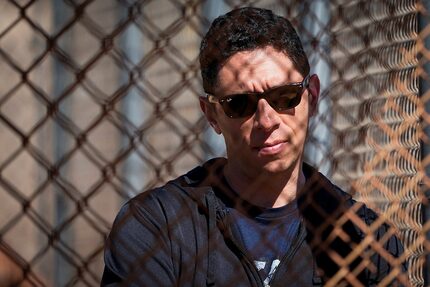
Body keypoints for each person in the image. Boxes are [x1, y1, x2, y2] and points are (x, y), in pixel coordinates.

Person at [101, 7, 409, 286]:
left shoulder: (367, 240)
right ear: (212, 115)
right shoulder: (157, 227)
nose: (266, 120)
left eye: (284, 97)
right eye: (239, 104)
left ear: (312, 97)